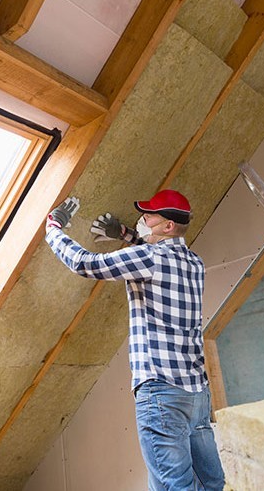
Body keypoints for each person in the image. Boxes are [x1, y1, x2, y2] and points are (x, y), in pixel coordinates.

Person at [45, 189, 225, 491]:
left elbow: (84, 263)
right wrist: (126, 234)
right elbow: (157, 259)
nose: (144, 217)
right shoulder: (194, 263)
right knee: (211, 482)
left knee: (175, 486)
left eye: (150, 215)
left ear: (167, 226)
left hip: (161, 393)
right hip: (195, 395)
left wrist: (53, 228)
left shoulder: (149, 257)